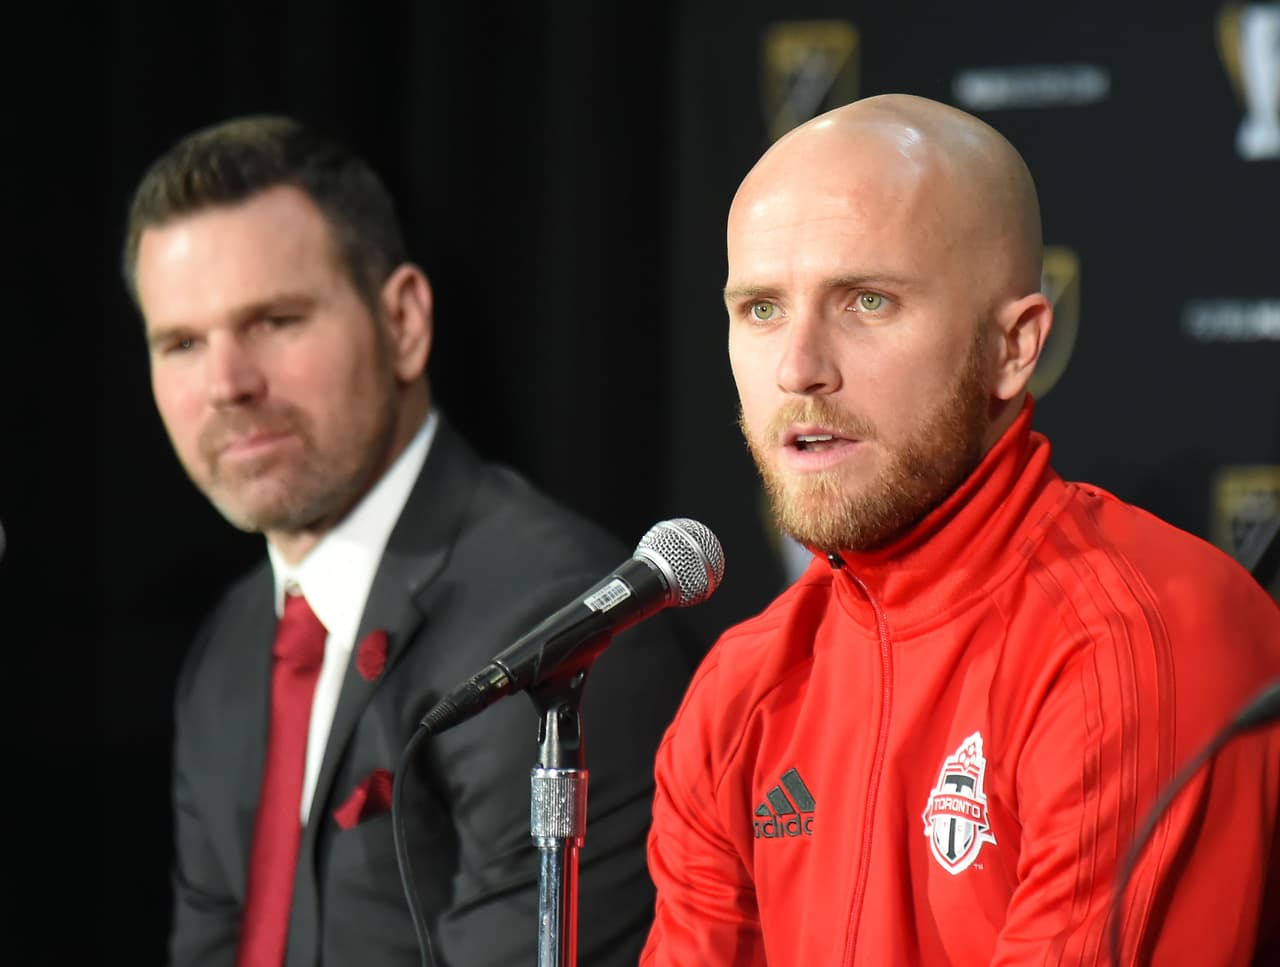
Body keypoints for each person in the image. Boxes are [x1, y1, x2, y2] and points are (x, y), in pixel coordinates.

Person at [641, 93, 1280, 965]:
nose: (798, 367)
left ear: (1015, 347)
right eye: (760, 309)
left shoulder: (1135, 640)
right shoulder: (737, 694)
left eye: (866, 300)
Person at [122, 114, 694, 967]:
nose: (227, 384)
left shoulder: (559, 626)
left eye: (275, 321)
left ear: (403, 322)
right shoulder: (232, 646)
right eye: (182, 343)